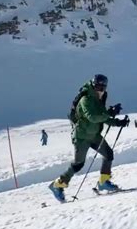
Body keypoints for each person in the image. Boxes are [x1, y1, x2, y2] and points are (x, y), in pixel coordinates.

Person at [49, 74, 129, 202]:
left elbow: (103, 117)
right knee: (78, 164)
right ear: (93, 85)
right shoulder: (85, 99)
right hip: (82, 137)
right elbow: (92, 117)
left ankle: (103, 182)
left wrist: (118, 122)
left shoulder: (100, 99)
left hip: (94, 135)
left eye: (102, 87)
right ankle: (57, 185)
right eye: (98, 86)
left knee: (108, 154)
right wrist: (109, 113)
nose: (100, 89)